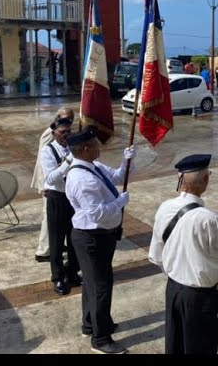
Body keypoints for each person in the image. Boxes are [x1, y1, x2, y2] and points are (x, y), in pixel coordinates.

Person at [148, 154, 218, 354]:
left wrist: (178, 271)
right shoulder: (209, 219)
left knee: (175, 346)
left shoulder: (165, 208)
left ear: (181, 180)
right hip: (200, 298)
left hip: (173, 290)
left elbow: (156, 255)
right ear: (205, 180)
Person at [65, 126, 136, 355]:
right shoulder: (81, 178)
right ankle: (101, 338)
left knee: (92, 284)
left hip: (100, 237)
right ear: (85, 149)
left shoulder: (93, 167)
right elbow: (98, 213)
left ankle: (91, 323)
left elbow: (116, 176)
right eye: (95, 144)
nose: (99, 147)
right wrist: (120, 202)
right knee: (101, 287)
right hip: (91, 238)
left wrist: (126, 162)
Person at [38, 117, 81, 296]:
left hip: (73, 198)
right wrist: (68, 161)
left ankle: (72, 272)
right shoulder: (47, 151)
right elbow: (51, 178)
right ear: (54, 133)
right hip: (57, 198)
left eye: (68, 131)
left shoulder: (73, 147)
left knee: (74, 238)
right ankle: (57, 278)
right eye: (62, 132)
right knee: (56, 240)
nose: (66, 135)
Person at [31, 107, 74, 263]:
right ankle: (43, 251)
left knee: (58, 222)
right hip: (49, 184)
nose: (69, 122)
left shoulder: (65, 133)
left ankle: (55, 245)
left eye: (71, 119)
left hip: (60, 184)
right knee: (49, 219)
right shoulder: (50, 134)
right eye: (65, 118)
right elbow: (45, 163)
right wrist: (44, 187)